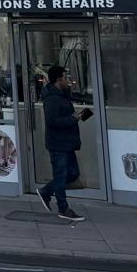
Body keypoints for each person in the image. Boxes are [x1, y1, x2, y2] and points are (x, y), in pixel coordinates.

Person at [38, 64, 91, 222]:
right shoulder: (53, 98)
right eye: (65, 77)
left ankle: (46, 191)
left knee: (72, 174)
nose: (67, 80)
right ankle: (63, 208)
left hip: (67, 142)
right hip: (58, 143)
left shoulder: (61, 94)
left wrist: (75, 116)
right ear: (58, 79)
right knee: (61, 176)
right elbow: (53, 121)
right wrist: (73, 118)